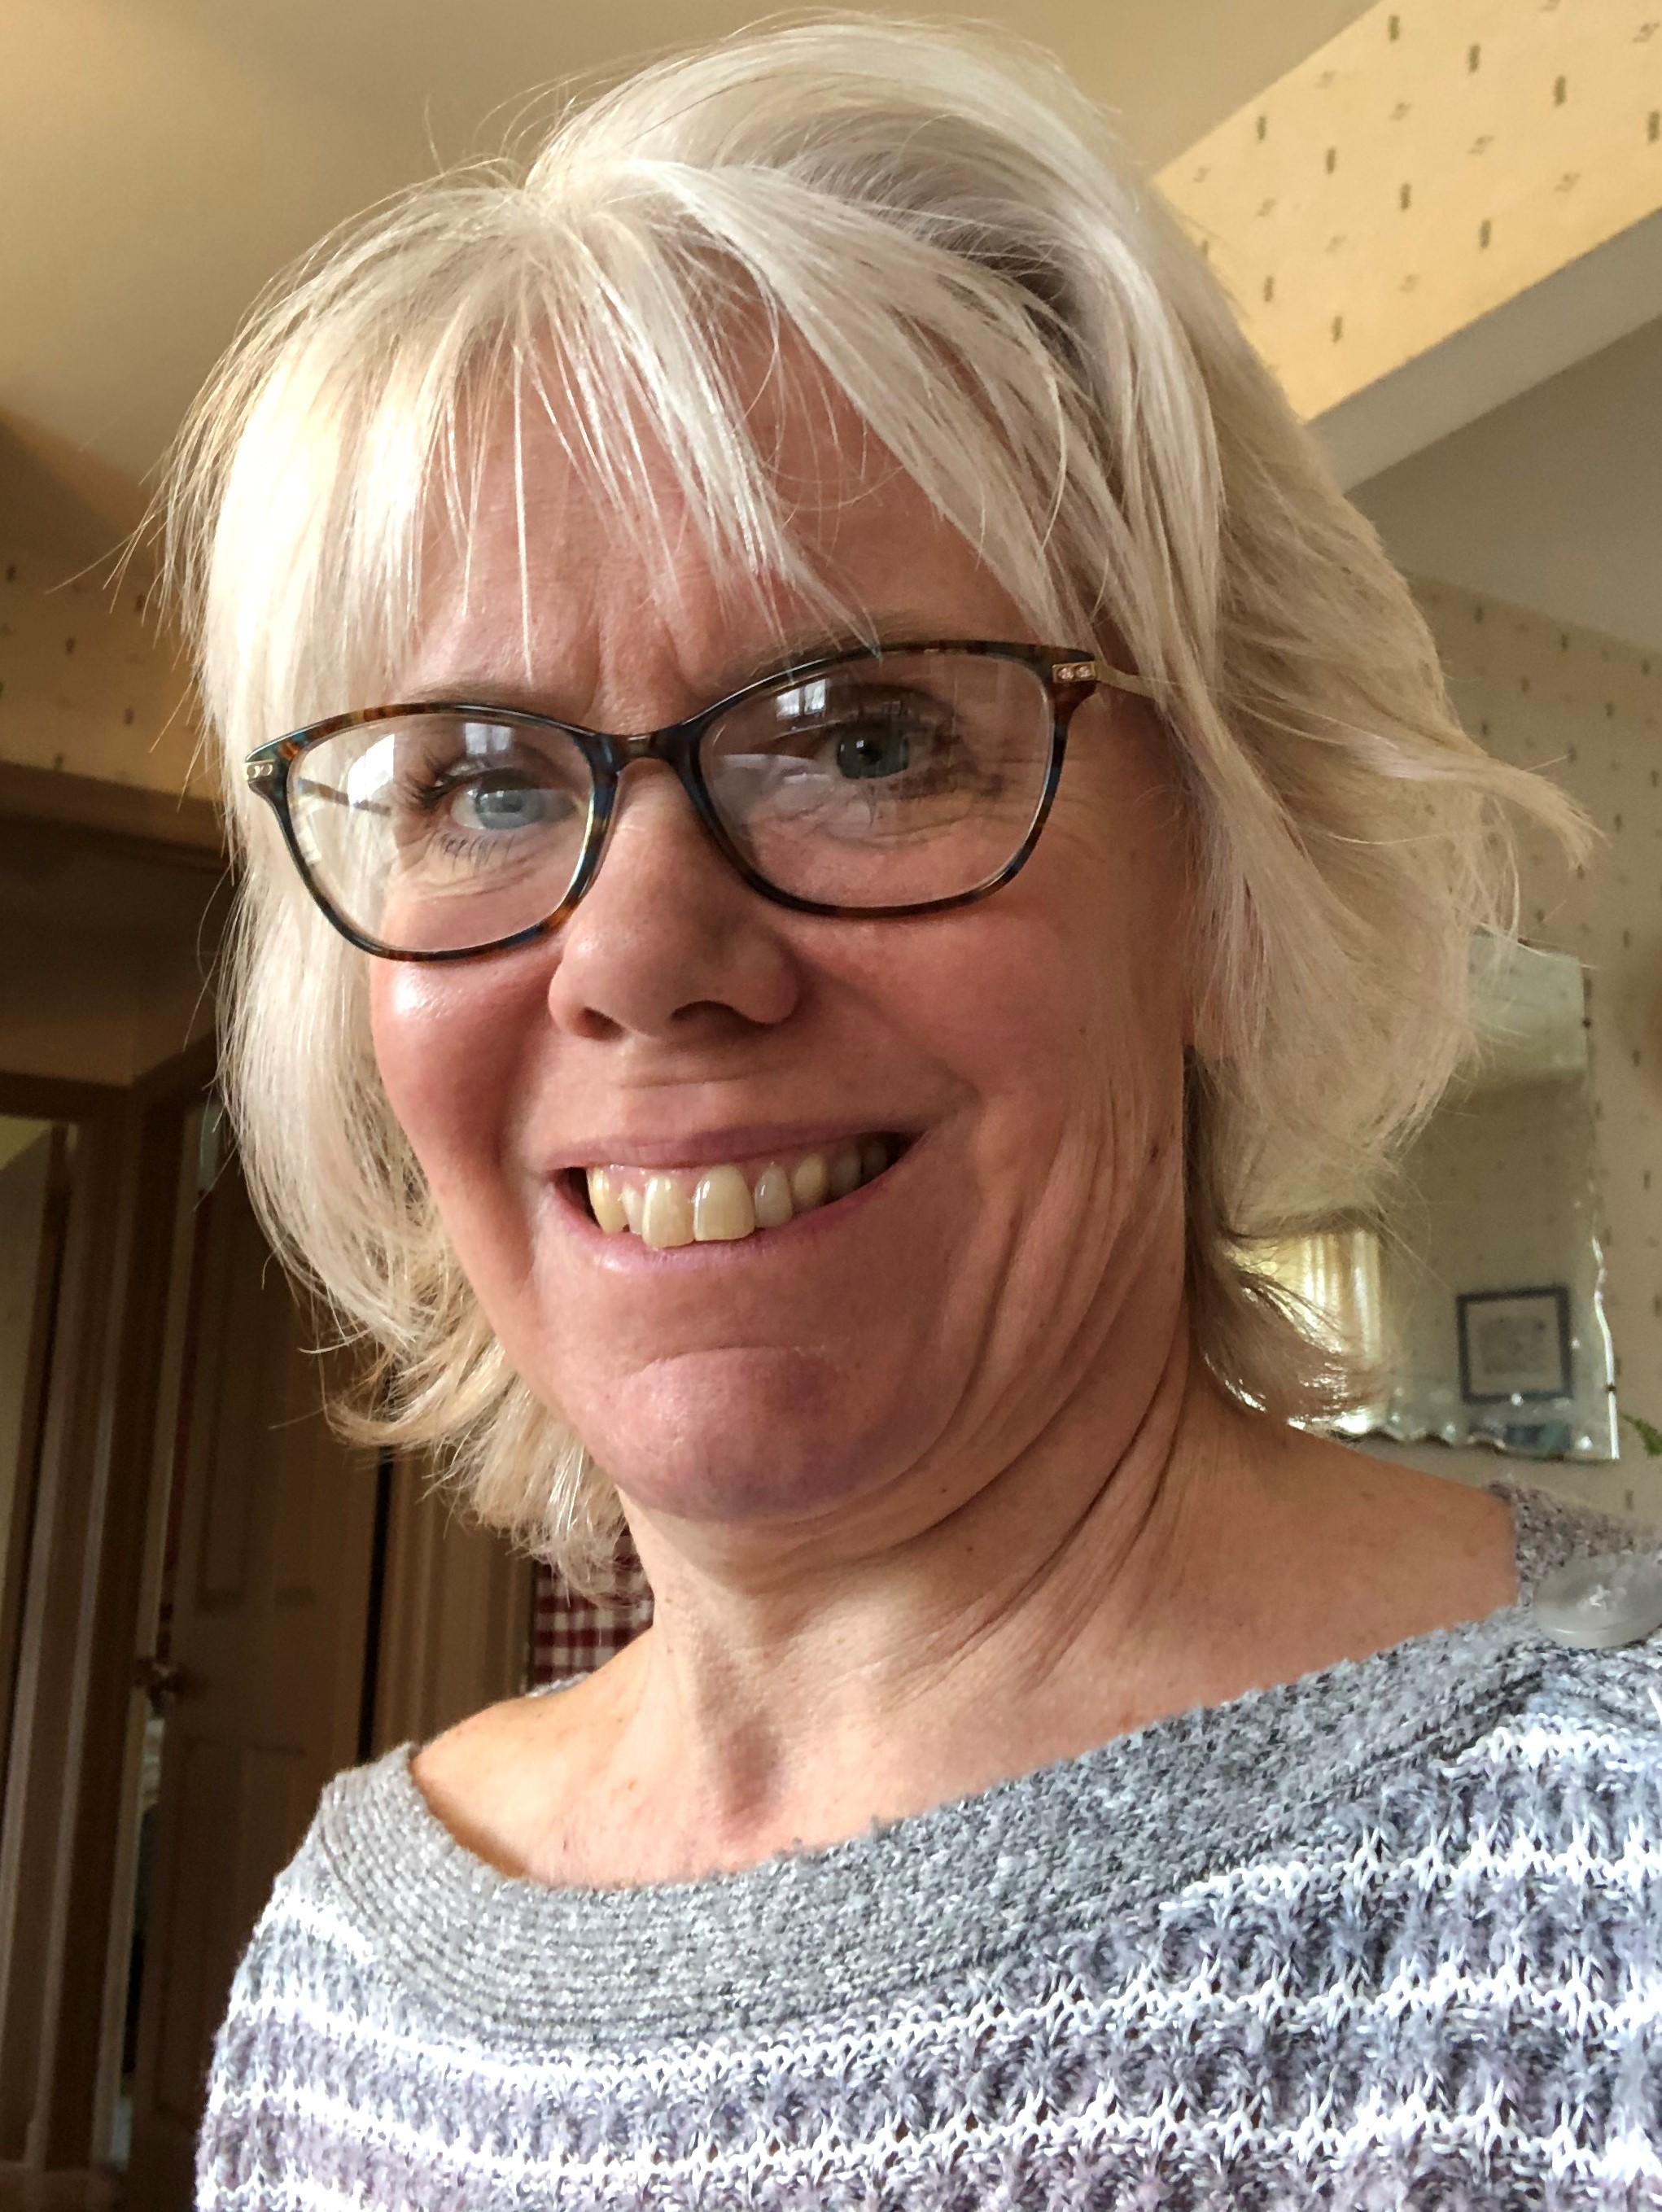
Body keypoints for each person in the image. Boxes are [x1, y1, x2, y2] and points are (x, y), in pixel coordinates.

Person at [176, 20, 1662, 2209]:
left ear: (1226, 865)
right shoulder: (348, 1951)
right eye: (480, 784)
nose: (635, 952)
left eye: (864, 737)